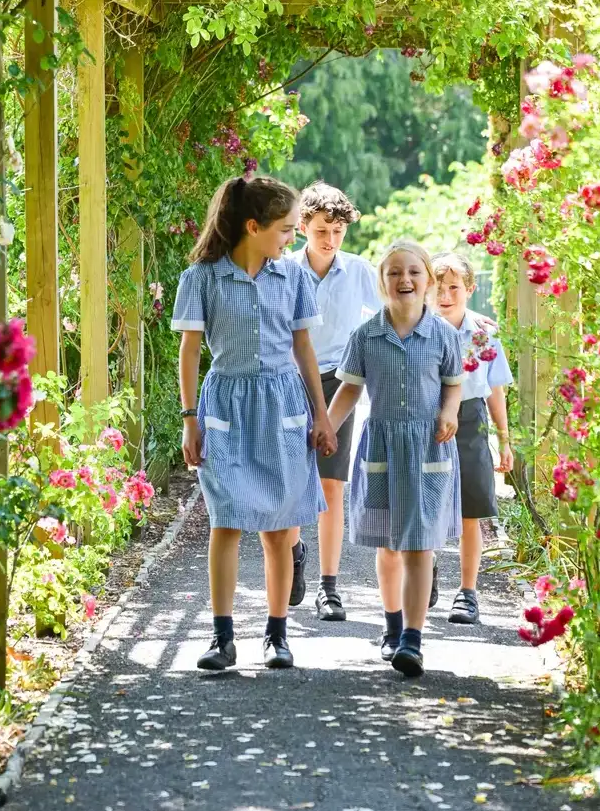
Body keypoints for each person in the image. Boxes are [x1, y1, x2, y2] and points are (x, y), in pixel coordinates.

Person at [172, 176, 337, 673]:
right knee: (225, 522)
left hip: (283, 403)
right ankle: (222, 637)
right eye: (286, 229)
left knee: (279, 527)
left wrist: (322, 414)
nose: (292, 239)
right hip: (224, 406)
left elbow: (304, 348)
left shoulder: (294, 279)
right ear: (253, 226)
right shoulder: (201, 278)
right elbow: (191, 351)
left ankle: (276, 633)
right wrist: (189, 419)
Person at [327, 240, 463, 678]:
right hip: (383, 445)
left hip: (428, 447)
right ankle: (391, 626)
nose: (404, 280)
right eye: (394, 273)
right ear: (383, 282)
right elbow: (348, 388)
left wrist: (448, 411)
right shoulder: (366, 335)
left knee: (421, 543)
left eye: (413, 273)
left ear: (427, 280)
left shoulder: (442, 333)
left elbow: (454, 383)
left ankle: (413, 639)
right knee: (388, 545)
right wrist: (326, 427)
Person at [287, 182, 379, 622]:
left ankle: (329, 587)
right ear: (303, 225)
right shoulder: (281, 270)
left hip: (341, 383)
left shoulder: (360, 272)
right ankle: (293, 550)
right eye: (323, 228)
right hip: (290, 382)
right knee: (288, 479)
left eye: (339, 231)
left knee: (330, 486)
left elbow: (393, 314)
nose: (330, 239)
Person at [432, 250, 514, 626]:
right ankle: (425, 564)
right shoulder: (422, 326)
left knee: (471, 509)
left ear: (469, 289)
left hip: (470, 420)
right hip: (428, 420)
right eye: (437, 287)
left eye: (453, 287)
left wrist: (504, 439)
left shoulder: (484, 332)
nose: (444, 295)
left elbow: (495, 389)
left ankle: (467, 592)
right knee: (428, 501)